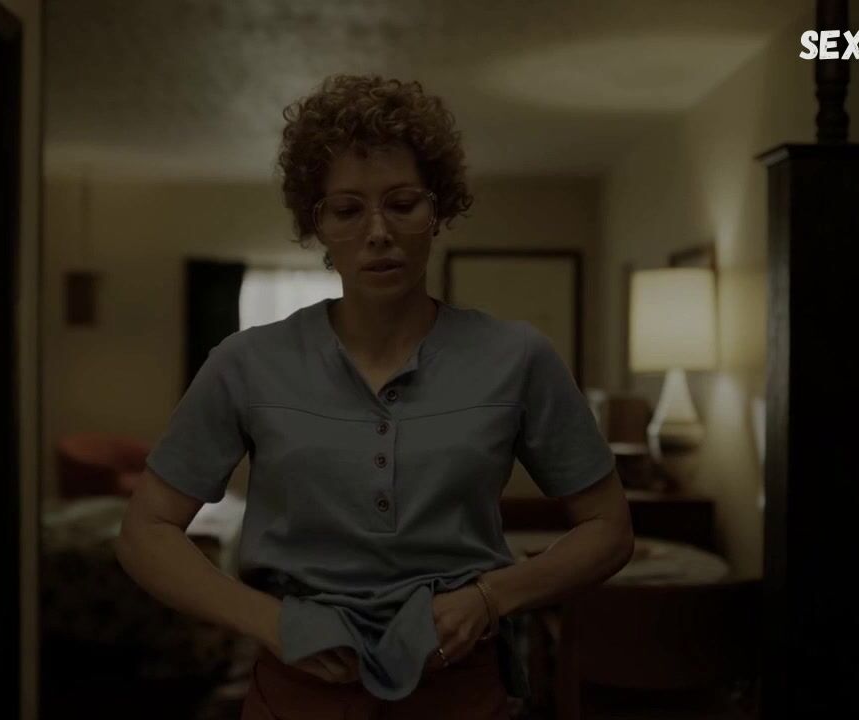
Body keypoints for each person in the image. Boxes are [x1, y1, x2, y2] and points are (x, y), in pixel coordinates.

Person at [116, 73, 635, 719]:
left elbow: (609, 529)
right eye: (347, 210)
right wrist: (269, 621)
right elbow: (145, 531)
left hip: (463, 690)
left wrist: (491, 598)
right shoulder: (245, 363)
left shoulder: (518, 357)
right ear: (318, 224)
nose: (378, 231)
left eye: (403, 203)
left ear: (438, 210)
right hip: (299, 692)